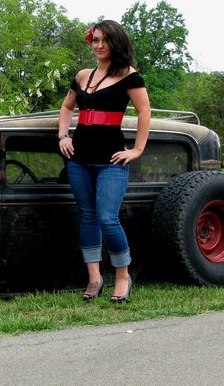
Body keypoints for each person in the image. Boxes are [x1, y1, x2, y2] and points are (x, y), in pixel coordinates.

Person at [58, 20, 151, 303]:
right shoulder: (84, 75)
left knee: (108, 218)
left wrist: (137, 150)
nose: (98, 46)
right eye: (95, 40)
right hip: (79, 159)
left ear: (115, 43)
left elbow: (145, 111)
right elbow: (66, 107)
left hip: (112, 160)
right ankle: (94, 277)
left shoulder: (128, 75)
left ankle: (123, 275)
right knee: (87, 215)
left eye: (103, 41)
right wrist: (63, 135)